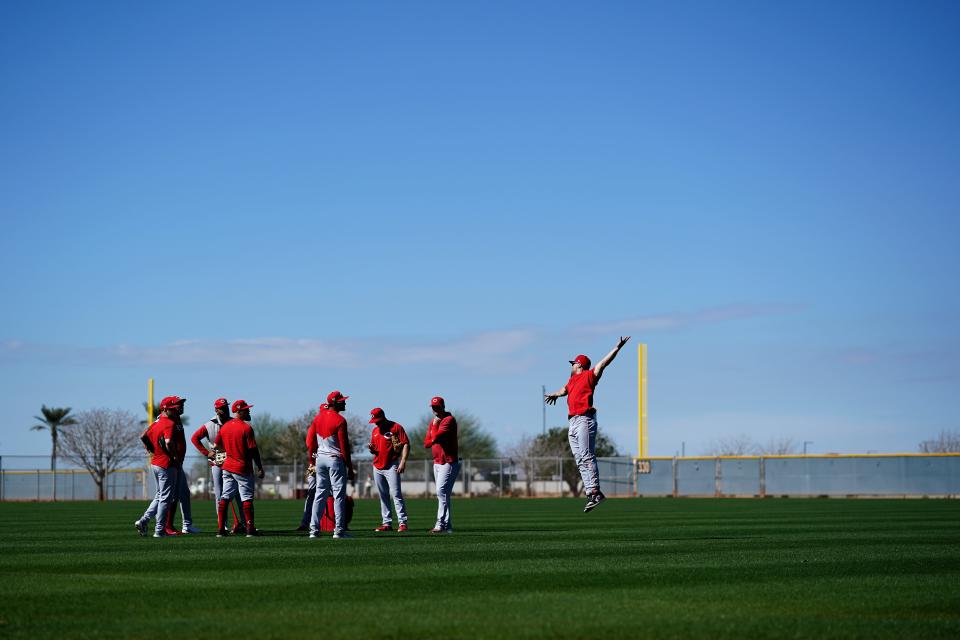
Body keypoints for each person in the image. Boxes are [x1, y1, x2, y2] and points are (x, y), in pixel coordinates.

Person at [544, 336, 630, 512]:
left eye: (573, 363)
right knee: (580, 459)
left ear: (579, 365)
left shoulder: (589, 376)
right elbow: (564, 390)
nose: (571, 366)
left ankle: (596, 491)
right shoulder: (571, 381)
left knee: (587, 455)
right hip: (573, 421)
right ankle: (591, 493)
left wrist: (617, 348)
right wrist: (555, 394)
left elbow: (603, 363)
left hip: (585, 419)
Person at [191, 397, 245, 534]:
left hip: (233, 461)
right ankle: (223, 525)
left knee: (238, 492)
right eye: (222, 408)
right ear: (216, 409)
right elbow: (194, 438)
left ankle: (244, 523)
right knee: (220, 493)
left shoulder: (233, 422)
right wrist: (206, 452)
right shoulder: (209, 425)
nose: (225, 409)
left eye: (226, 407)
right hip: (217, 461)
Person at [213, 399, 265, 537]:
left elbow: (216, 445)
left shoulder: (225, 427)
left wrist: (228, 452)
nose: (249, 411)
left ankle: (220, 530)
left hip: (227, 467)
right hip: (242, 467)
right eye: (246, 409)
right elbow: (253, 450)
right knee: (246, 498)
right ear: (239, 411)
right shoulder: (246, 428)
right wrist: (259, 467)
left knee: (225, 497)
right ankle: (250, 529)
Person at [309, 390, 355, 539]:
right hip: (334, 459)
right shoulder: (340, 420)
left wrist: (312, 460)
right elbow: (344, 446)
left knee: (320, 494)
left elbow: (312, 442)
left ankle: (313, 530)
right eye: (342, 400)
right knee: (338, 495)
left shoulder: (317, 418)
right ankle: (339, 531)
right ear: (335, 403)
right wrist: (350, 467)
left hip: (320, 458)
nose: (345, 402)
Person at [133, 396, 181, 538]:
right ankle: (159, 530)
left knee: (160, 496)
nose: (176, 410)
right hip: (166, 464)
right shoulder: (169, 423)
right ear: (165, 409)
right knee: (166, 498)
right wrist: (174, 456)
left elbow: (142, 436)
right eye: (173, 408)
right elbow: (168, 442)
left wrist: (150, 449)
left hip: (155, 463)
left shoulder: (157, 422)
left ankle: (144, 520)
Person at [367, 407, 410, 532]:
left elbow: (406, 443)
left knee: (396, 494)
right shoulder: (375, 430)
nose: (376, 422)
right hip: (377, 466)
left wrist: (403, 461)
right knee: (383, 495)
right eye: (374, 420)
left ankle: (402, 523)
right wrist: (372, 449)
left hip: (392, 464)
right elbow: (376, 449)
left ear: (383, 417)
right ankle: (387, 523)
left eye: (377, 420)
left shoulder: (396, 427)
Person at [424, 396, 459, 534]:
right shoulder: (433, 422)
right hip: (437, 462)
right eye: (433, 407)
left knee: (441, 492)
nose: (435, 410)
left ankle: (440, 524)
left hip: (448, 461)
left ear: (443, 406)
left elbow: (436, 437)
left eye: (437, 407)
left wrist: (434, 427)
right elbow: (427, 443)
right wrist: (433, 428)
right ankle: (447, 525)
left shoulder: (448, 420)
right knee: (444, 494)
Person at [164, 397, 196, 534]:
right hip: (170, 463)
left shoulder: (177, 418)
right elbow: (149, 436)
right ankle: (166, 526)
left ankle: (186, 525)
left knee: (183, 493)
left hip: (178, 463)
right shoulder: (164, 420)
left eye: (181, 404)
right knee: (169, 495)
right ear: (169, 407)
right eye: (178, 405)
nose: (181, 406)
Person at [296, 403, 327, 532]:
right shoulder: (315, 426)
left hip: (326, 463)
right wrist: (312, 463)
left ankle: (334, 523)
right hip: (315, 464)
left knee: (330, 494)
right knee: (313, 493)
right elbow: (310, 446)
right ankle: (305, 522)